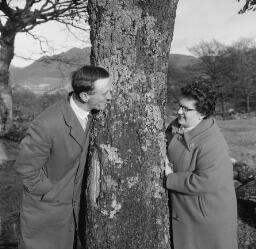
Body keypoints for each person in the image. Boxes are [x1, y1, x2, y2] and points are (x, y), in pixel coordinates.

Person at [14, 65, 112, 249]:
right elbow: (25, 168)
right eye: (105, 93)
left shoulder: (93, 116)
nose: (110, 97)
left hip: (74, 214)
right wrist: (50, 193)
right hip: (45, 215)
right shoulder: (46, 124)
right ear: (85, 96)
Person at [165, 81, 238, 249]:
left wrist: (170, 177)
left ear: (202, 113)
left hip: (207, 217)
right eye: (179, 106)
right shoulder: (177, 125)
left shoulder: (212, 142)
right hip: (187, 210)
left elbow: (207, 181)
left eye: (186, 109)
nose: (178, 112)